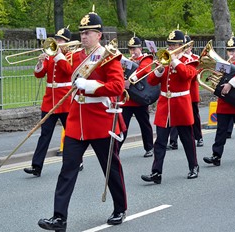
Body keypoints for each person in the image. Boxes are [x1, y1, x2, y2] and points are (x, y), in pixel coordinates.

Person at [38, 8, 127, 231]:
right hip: (76, 123)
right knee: (67, 169)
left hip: (101, 122)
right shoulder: (75, 56)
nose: (83, 36)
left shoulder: (108, 57)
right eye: (82, 32)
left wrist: (93, 87)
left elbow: (117, 87)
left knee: (110, 168)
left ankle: (120, 208)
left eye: (88, 32)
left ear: (99, 35)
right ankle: (59, 218)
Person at [141, 28, 199, 184]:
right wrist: (159, 70)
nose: (171, 47)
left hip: (181, 105)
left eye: (174, 45)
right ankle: (156, 173)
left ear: (182, 45)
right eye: (169, 44)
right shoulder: (164, 60)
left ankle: (193, 166)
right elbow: (151, 81)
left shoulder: (189, 60)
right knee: (160, 141)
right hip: (164, 106)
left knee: (187, 139)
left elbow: (188, 75)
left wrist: (174, 60)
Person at [23, 27, 75, 177]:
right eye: (56, 39)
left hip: (65, 100)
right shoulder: (50, 55)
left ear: (67, 42)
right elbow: (39, 74)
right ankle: (36, 166)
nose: (57, 42)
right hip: (49, 101)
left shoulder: (71, 55)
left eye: (60, 40)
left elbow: (69, 71)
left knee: (71, 135)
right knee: (44, 134)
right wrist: (40, 63)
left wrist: (59, 56)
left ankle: (77, 161)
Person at [203, 34, 235, 166]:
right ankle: (216, 155)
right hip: (224, 102)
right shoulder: (224, 63)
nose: (231, 53)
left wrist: (230, 83)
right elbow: (217, 79)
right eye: (229, 51)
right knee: (221, 131)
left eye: (234, 51)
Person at [166, 34, 204, 150]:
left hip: (191, 92)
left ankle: (199, 137)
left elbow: (194, 74)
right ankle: (173, 141)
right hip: (177, 95)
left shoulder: (193, 59)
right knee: (174, 118)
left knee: (194, 116)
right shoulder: (175, 58)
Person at [120, 35, 154, 158]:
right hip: (128, 99)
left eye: (135, 49)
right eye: (130, 49)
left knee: (144, 124)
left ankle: (149, 147)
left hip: (140, 97)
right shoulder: (127, 60)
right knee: (123, 125)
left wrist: (130, 79)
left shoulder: (146, 58)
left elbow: (144, 70)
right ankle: (116, 149)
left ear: (140, 48)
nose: (132, 52)